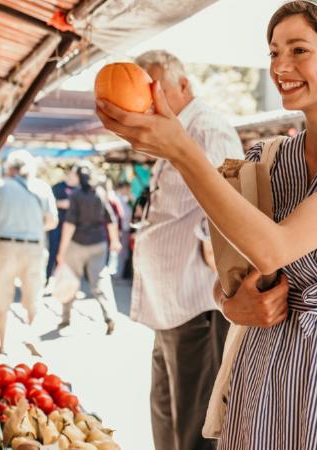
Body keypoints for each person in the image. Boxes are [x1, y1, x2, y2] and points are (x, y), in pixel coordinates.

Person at [96, 1, 317, 447]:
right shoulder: (266, 158)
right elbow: (232, 272)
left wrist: (182, 150)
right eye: (274, 52)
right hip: (264, 369)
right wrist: (230, 304)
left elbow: (275, 249)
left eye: (299, 50)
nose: (281, 66)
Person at [110, 49, 244, 450]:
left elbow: (227, 202)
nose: (149, 101)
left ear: (183, 84)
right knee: (166, 413)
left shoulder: (207, 130)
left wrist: (210, 245)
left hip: (196, 301)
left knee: (193, 424)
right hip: (170, 303)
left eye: (157, 89)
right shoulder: (174, 131)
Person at [0, 150, 58, 354]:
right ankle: (32, 337)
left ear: (9, 168)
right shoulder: (42, 188)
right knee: (34, 295)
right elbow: (51, 222)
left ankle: (3, 344)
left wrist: (0, 226)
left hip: (5, 246)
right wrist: (32, 227)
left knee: (1, 295)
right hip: (33, 247)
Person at [55, 166, 121, 333]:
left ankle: (65, 318)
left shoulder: (76, 195)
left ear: (78, 177)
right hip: (99, 244)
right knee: (100, 280)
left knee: (70, 280)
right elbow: (111, 219)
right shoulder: (100, 193)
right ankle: (110, 315)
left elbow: (69, 224)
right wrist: (115, 241)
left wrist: (61, 251)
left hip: (77, 244)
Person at [46, 167, 79, 280]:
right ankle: (48, 277)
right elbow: (49, 203)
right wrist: (61, 203)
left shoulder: (79, 189)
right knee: (53, 251)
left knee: (69, 254)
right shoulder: (57, 187)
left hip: (73, 228)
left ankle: (64, 280)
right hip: (57, 226)